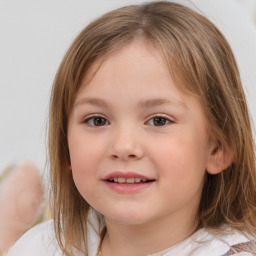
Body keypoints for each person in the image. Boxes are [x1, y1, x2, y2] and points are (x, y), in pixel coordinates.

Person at [7, 1, 256, 255]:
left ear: (217, 148)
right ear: (65, 145)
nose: (123, 146)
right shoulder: (40, 247)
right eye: (97, 120)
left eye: (159, 120)